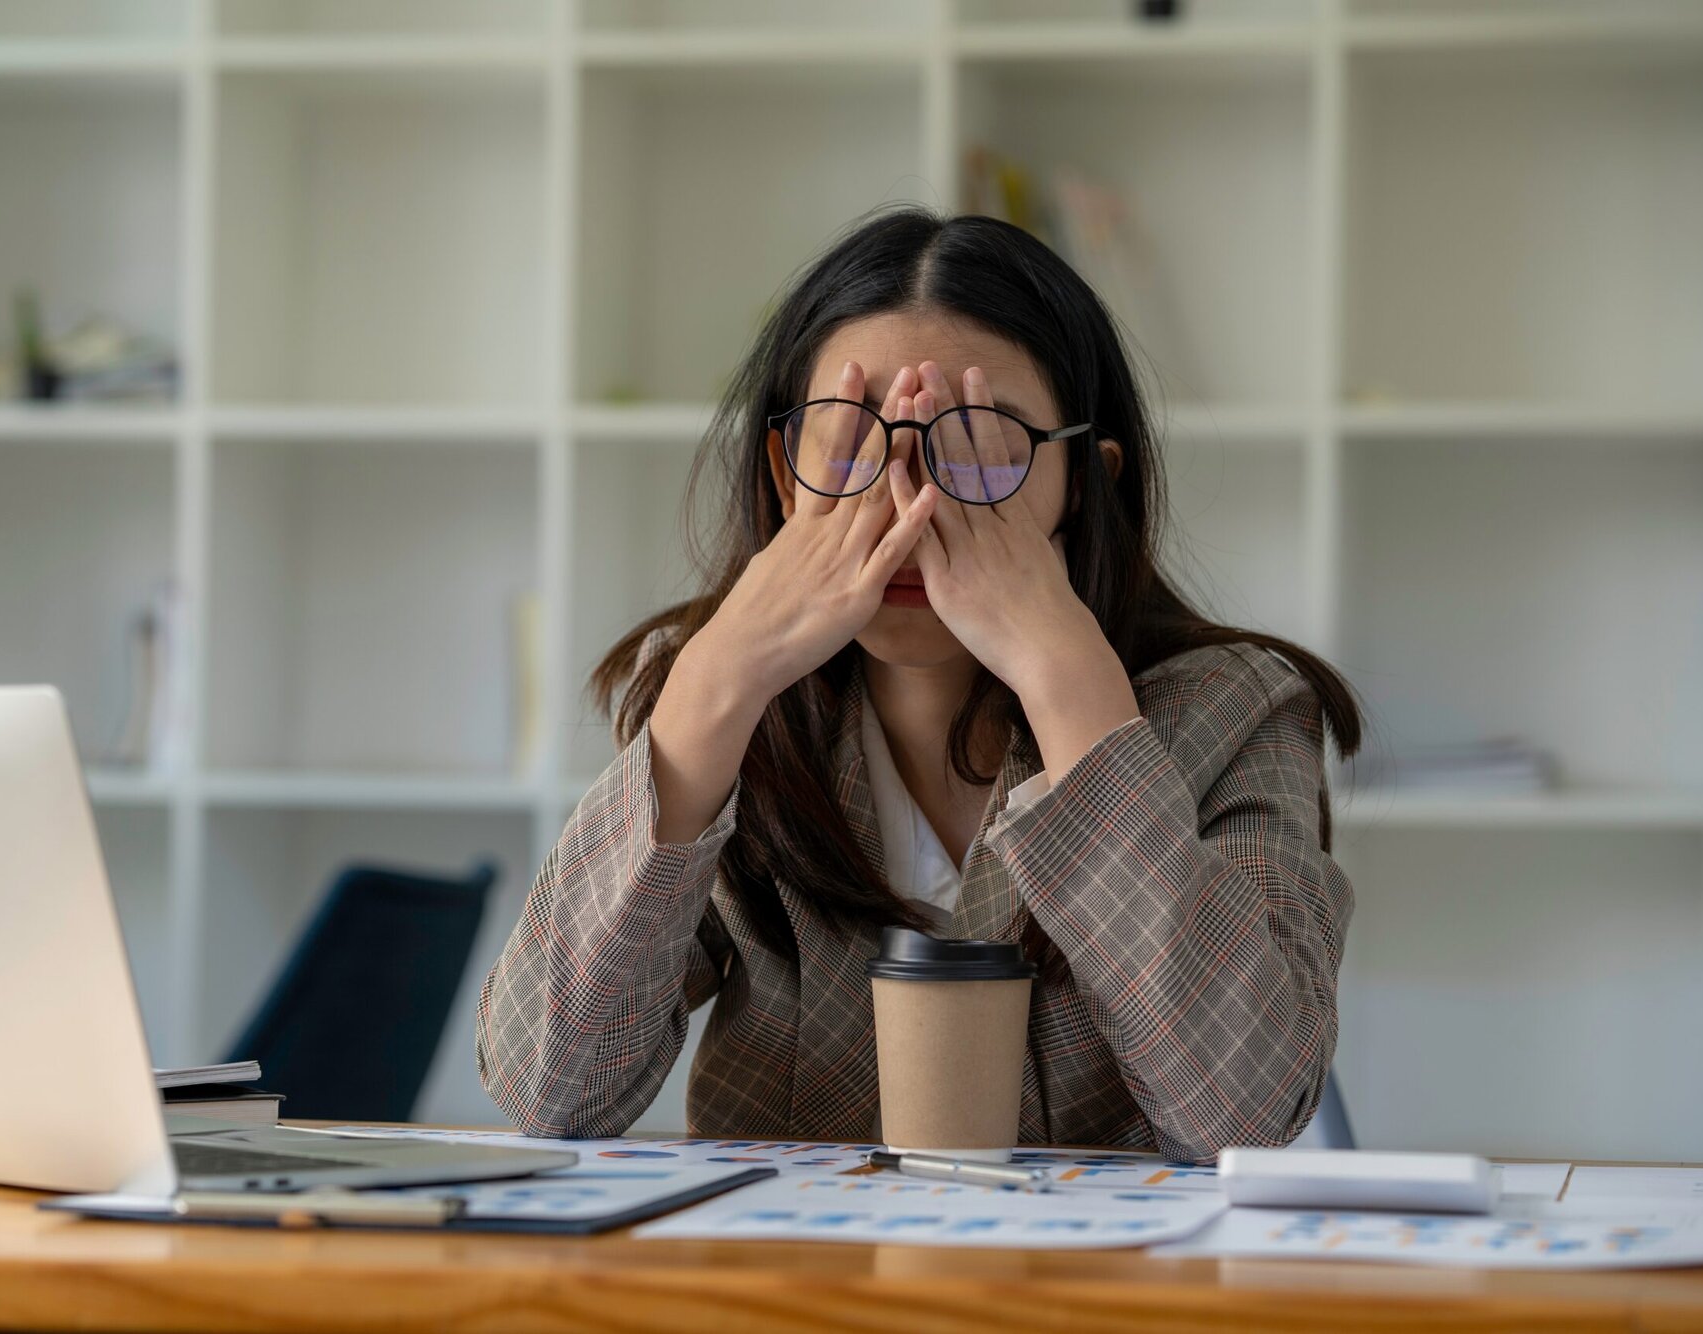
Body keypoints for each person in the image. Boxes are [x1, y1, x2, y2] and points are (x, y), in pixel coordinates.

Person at [475, 205, 1361, 1164]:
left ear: (1086, 482)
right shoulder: (717, 702)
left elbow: (1246, 1113)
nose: (908, 500)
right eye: (852, 438)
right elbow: (545, 1090)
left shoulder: (1240, 710)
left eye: (977, 443)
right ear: (784, 474)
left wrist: (1073, 690)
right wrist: (715, 684)